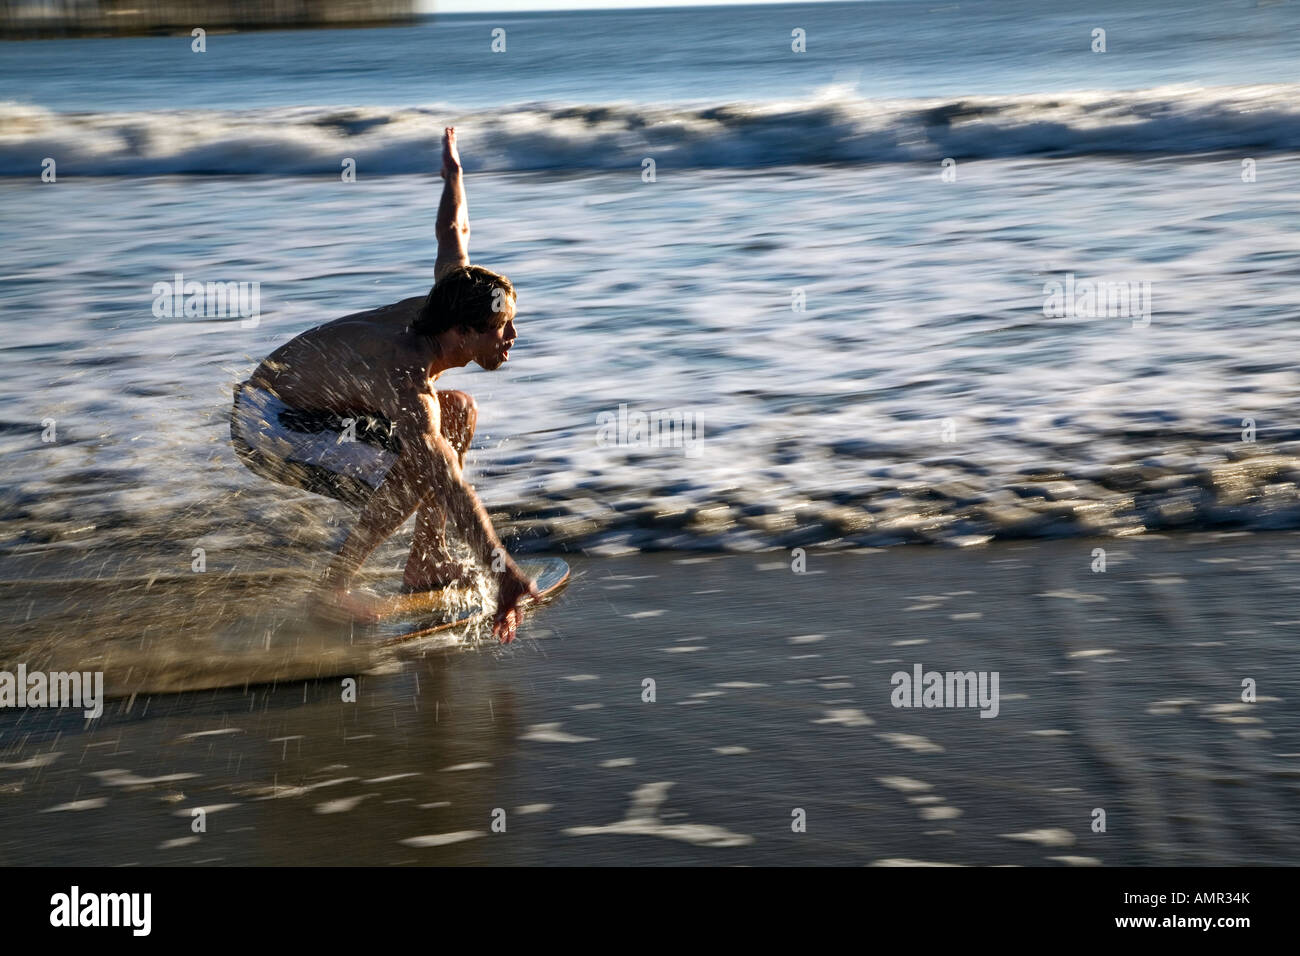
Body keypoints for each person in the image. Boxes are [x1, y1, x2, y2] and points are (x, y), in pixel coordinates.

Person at [230, 128, 538, 642]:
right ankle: (331, 587)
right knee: (424, 462)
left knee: (459, 409)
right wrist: (502, 571)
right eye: (501, 327)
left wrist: (454, 178)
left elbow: (452, 232)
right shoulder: (407, 374)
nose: (513, 335)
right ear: (461, 332)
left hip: (319, 410)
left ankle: (428, 562)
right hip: (269, 424)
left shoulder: (450, 294)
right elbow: (445, 475)